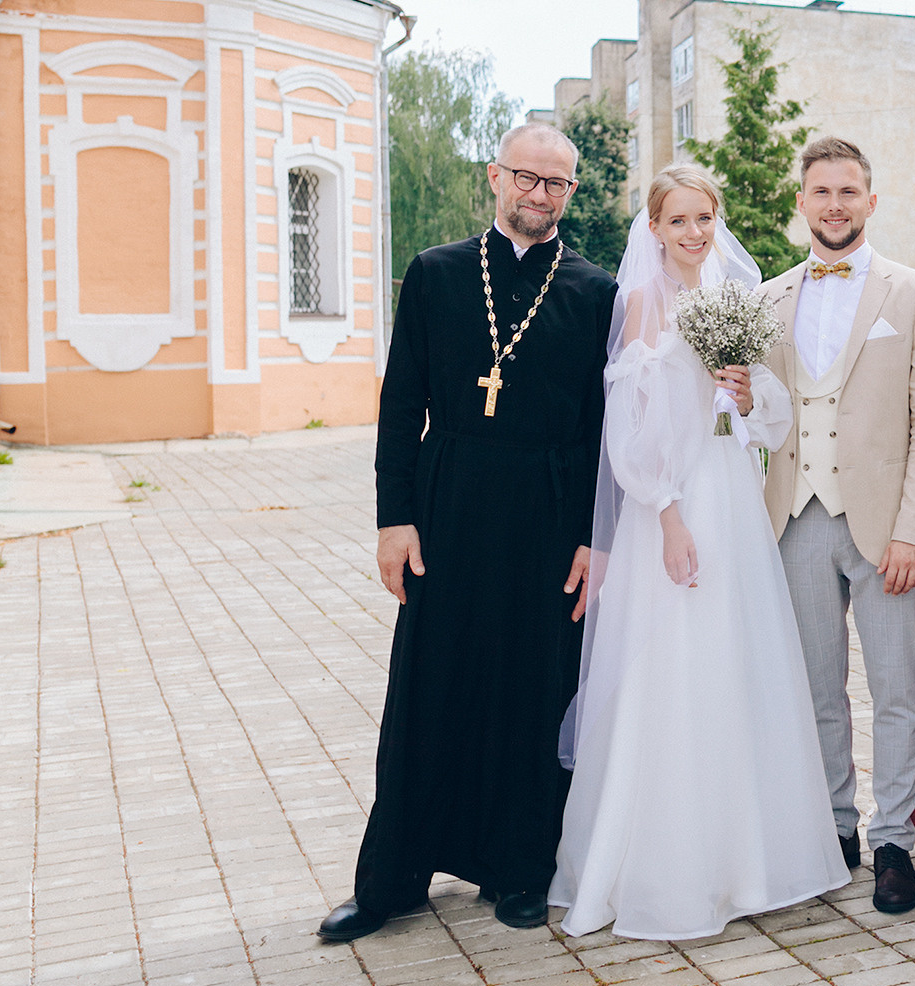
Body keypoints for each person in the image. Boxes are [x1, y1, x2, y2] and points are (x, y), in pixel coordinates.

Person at [318, 123, 615, 943]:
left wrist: (595, 536)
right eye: (527, 177)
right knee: (428, 687)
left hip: (550, 516)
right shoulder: (438, 273)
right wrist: (394, 517)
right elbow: (398, 400)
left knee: (533, 691)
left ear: (570, 194)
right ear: (496, 176)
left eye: (557, 184)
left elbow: (603, 428)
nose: (540, 195)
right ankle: (393, 880)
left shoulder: (597, 292)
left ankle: (522, 869)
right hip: (447, 507)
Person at [551, 166, 848, 940]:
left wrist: (750, 398)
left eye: (704, 217)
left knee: (735, 664)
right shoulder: (643, 305)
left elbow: (769, 416)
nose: (693, 232)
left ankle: (747, 862)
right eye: (678, 220)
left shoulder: (735, 300)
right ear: (653, 228)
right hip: (676, 506)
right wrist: (669, 516)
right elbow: (630, 430)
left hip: (732, 498)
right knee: (674, 667)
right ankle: (670, 867)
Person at [759, 137, 915, 916]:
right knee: (815, 686)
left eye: (849, 192)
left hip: (885, 527)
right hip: (795, 515)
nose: (834, 205)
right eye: (821, 192)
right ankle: (835, 825)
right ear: (801, 203)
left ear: (871, 202)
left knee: (897, 687)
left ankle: (895, 839)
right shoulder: (766, 299)